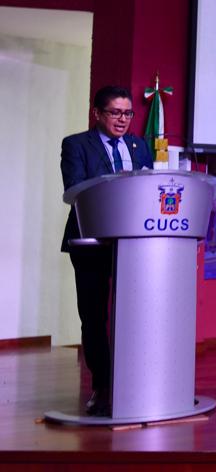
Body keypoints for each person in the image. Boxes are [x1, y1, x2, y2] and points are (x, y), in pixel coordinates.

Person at [60, 85, 154, 416]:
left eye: (127, 113)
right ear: (97, 113)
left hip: (133, 243)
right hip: (91, 241)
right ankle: (102, 386)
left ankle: (137, 382)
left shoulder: (138, 145)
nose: (122, 119)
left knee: (136, 314)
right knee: (94, 316)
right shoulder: (76, 145)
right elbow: (73, 189)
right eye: (115, 112)